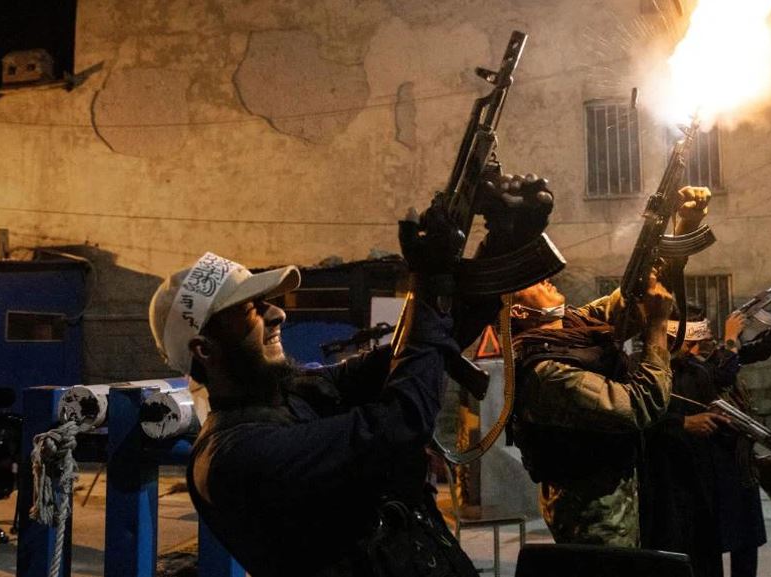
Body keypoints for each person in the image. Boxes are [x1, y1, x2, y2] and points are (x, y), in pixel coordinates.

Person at [147, 175, 559, 577]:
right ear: (205, 349)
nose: (278, 313)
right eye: (252, 309)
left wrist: (502, 243)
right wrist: (429, 281)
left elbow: (418, 348)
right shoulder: (232, 458)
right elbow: (399, 424)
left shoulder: (300, 393)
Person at [507, 186, 711, 547]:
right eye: (531, 281)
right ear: (521, 312)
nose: (545, 277)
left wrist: (682, 226)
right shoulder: (546, 374)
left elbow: (636, 297)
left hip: (622, 494)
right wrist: (657, 328)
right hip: (594, 517)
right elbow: (641, 405)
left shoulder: (575, 327)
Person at [643, 306, 768, 577]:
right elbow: (641, 417)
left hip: (728, 466)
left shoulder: (698, 364)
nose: (698, 348)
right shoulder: (657, 369)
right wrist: (683, 422)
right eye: (693, 342)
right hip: (683, 477)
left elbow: (750, 354)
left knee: (737, 543)